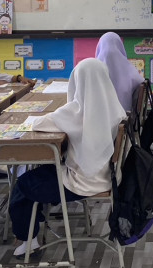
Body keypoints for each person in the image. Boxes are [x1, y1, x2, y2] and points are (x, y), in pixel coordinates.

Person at [8, 59, 126, 256]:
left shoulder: (76, 112)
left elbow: (39, 123)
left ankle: (28, 241)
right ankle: (36, 221)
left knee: (23, 185)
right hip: (110, 178)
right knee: (39, 175)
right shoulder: (115, 108)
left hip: (80, 183)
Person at [95, 31, 143, 112]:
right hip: (124, 117)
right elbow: (140, 82)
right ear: (120, 47)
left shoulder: (93, 70)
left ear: (100, 47)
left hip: (98, 117)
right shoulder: (130, 70)